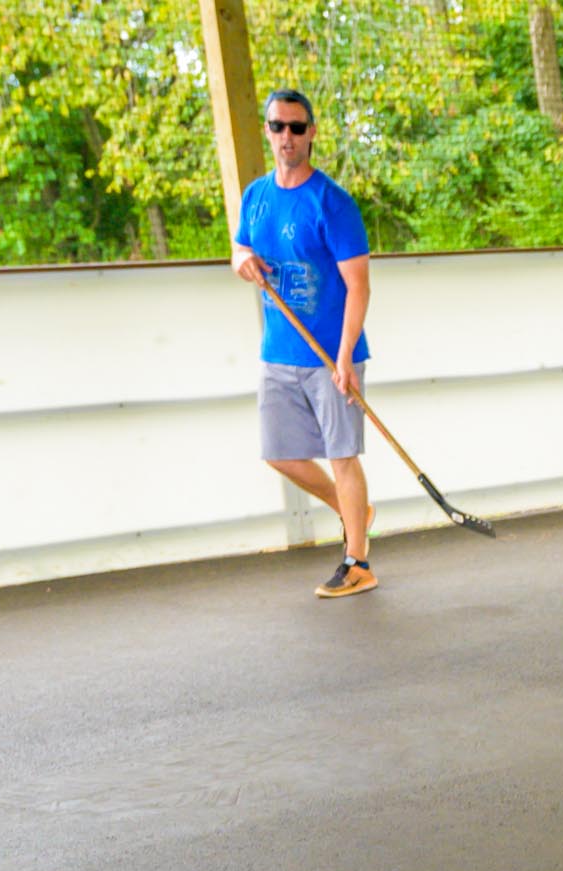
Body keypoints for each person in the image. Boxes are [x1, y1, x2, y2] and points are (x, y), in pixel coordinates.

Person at [231, 88, 380, 598]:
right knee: (279, 453)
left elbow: (358, 286)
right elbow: (240, 246)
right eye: (278, 127)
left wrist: (345, 359)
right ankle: (353, 510)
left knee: (343, 456)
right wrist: (241, 262)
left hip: (330, 356)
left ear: (312, 132)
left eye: (297, 127)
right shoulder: (256, 196)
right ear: (268, 131)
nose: (287, 137)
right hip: (278, 352)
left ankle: (358, 561)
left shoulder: (332, 203)